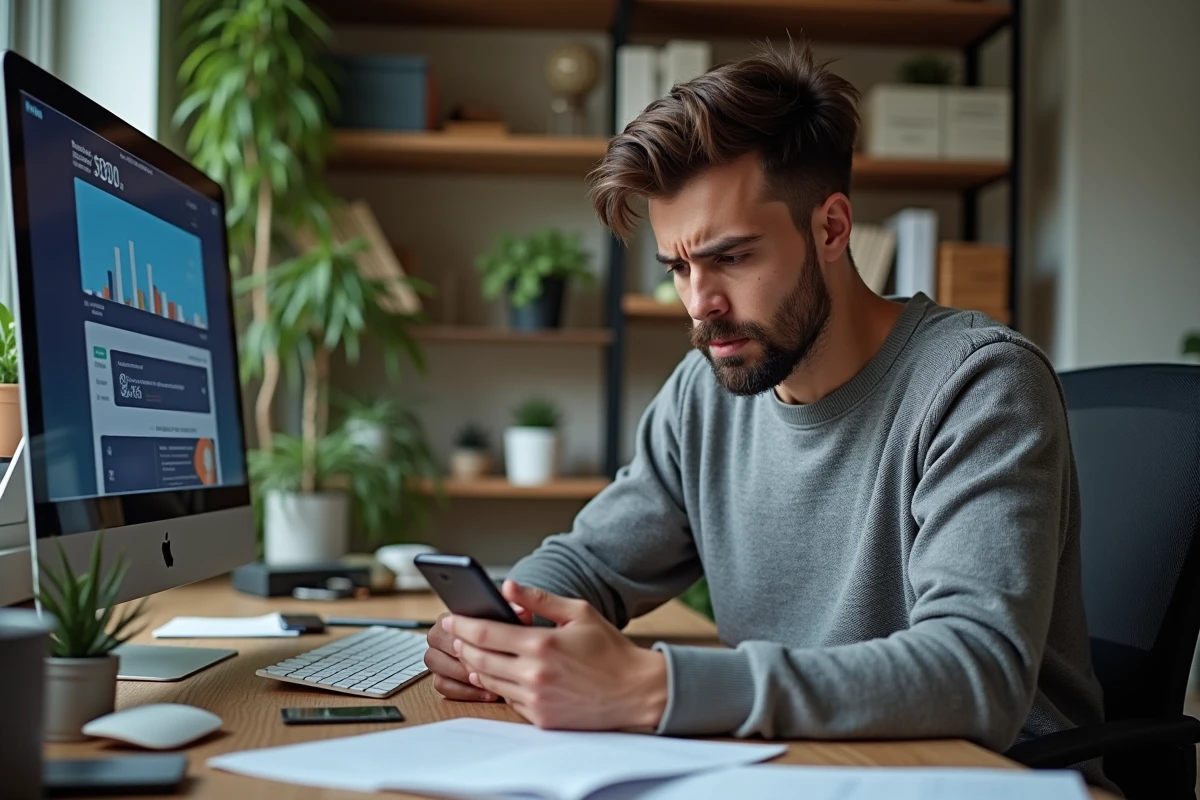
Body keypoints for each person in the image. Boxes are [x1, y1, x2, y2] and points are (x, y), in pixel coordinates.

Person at [424, 41, 1108, 785]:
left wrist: (657, 686)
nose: (699, 304)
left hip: (977, 776)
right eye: (679, 267)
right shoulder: (704, 394)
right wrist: (502, 630)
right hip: (794, 769)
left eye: (732, 257)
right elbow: (592, 561)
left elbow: (978, 671)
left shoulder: (979, 384)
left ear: (832, 228)